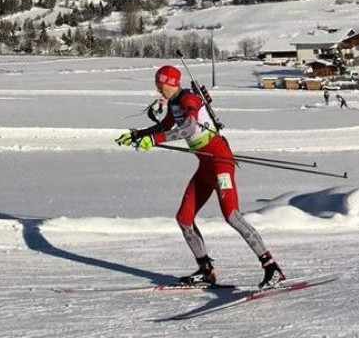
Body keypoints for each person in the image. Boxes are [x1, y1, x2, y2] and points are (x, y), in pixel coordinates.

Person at [115, 65, 285, 288]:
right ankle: (206, 270)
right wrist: (138, 134)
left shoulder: (189, 99)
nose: (158, 89)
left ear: (172, 83)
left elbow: (187, 128)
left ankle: (272, 268)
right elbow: (165, 125)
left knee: (232, 216)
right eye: (157, 85)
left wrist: (155, 140)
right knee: (184, 219)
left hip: (220, 162)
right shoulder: (174, 103)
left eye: (161, 84)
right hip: (204, 165)